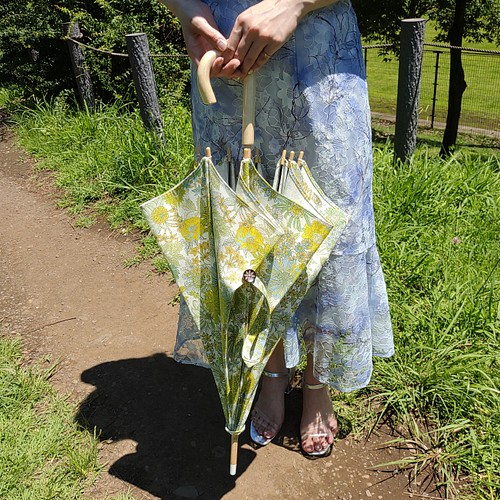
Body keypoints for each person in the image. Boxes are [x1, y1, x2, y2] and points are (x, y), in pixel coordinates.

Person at [159, 0, 394, 457]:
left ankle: (317, 384)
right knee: (244, 232)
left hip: (316, 56)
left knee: (323, 226)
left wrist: (295, 4)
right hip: (226, 64)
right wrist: (189, 11)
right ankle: (270, 373)